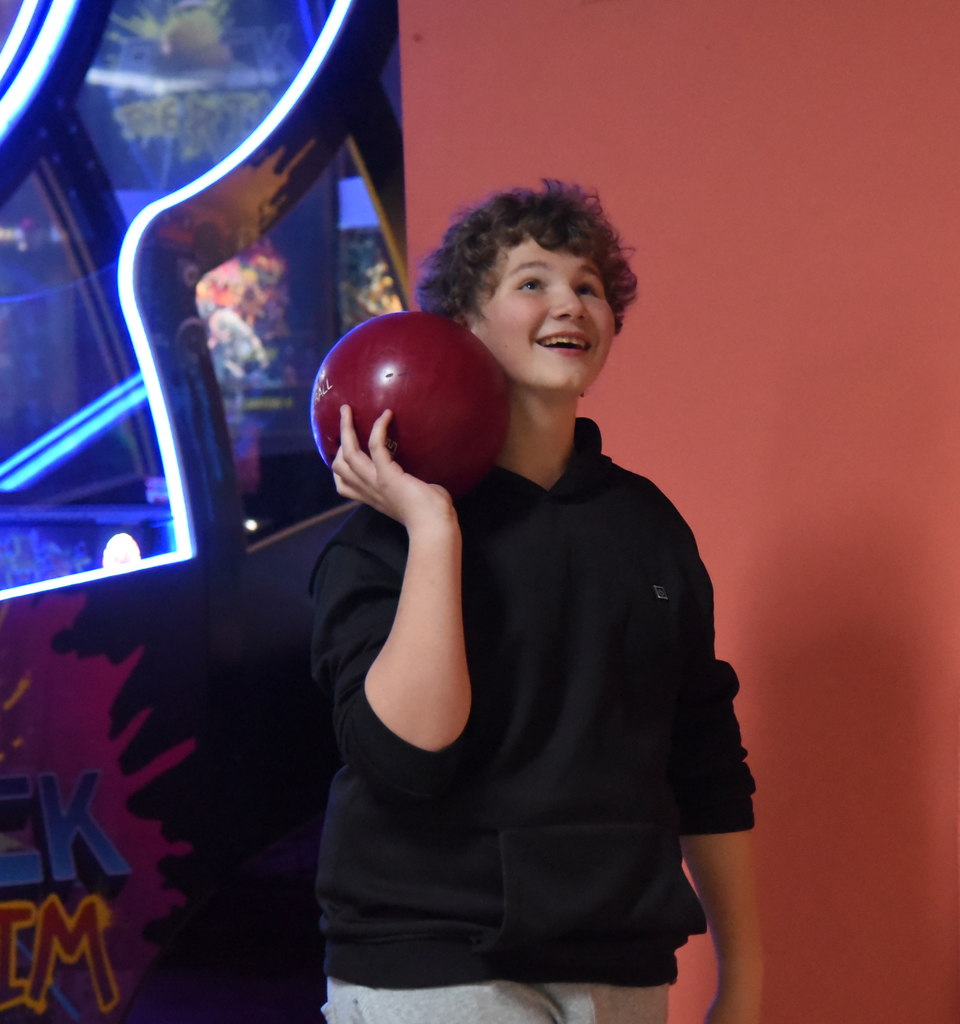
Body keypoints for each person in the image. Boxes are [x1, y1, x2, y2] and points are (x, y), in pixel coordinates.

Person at [310, 182, 761, 1024]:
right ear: (463, 325)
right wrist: (434, 529)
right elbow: (409, 757)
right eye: (532, 282)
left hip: (619, 957)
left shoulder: (648, 525)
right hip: (432, 959)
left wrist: (745, 975)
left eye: (588, 286)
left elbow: (703, 760)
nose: (570, 303)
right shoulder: (380, 537)